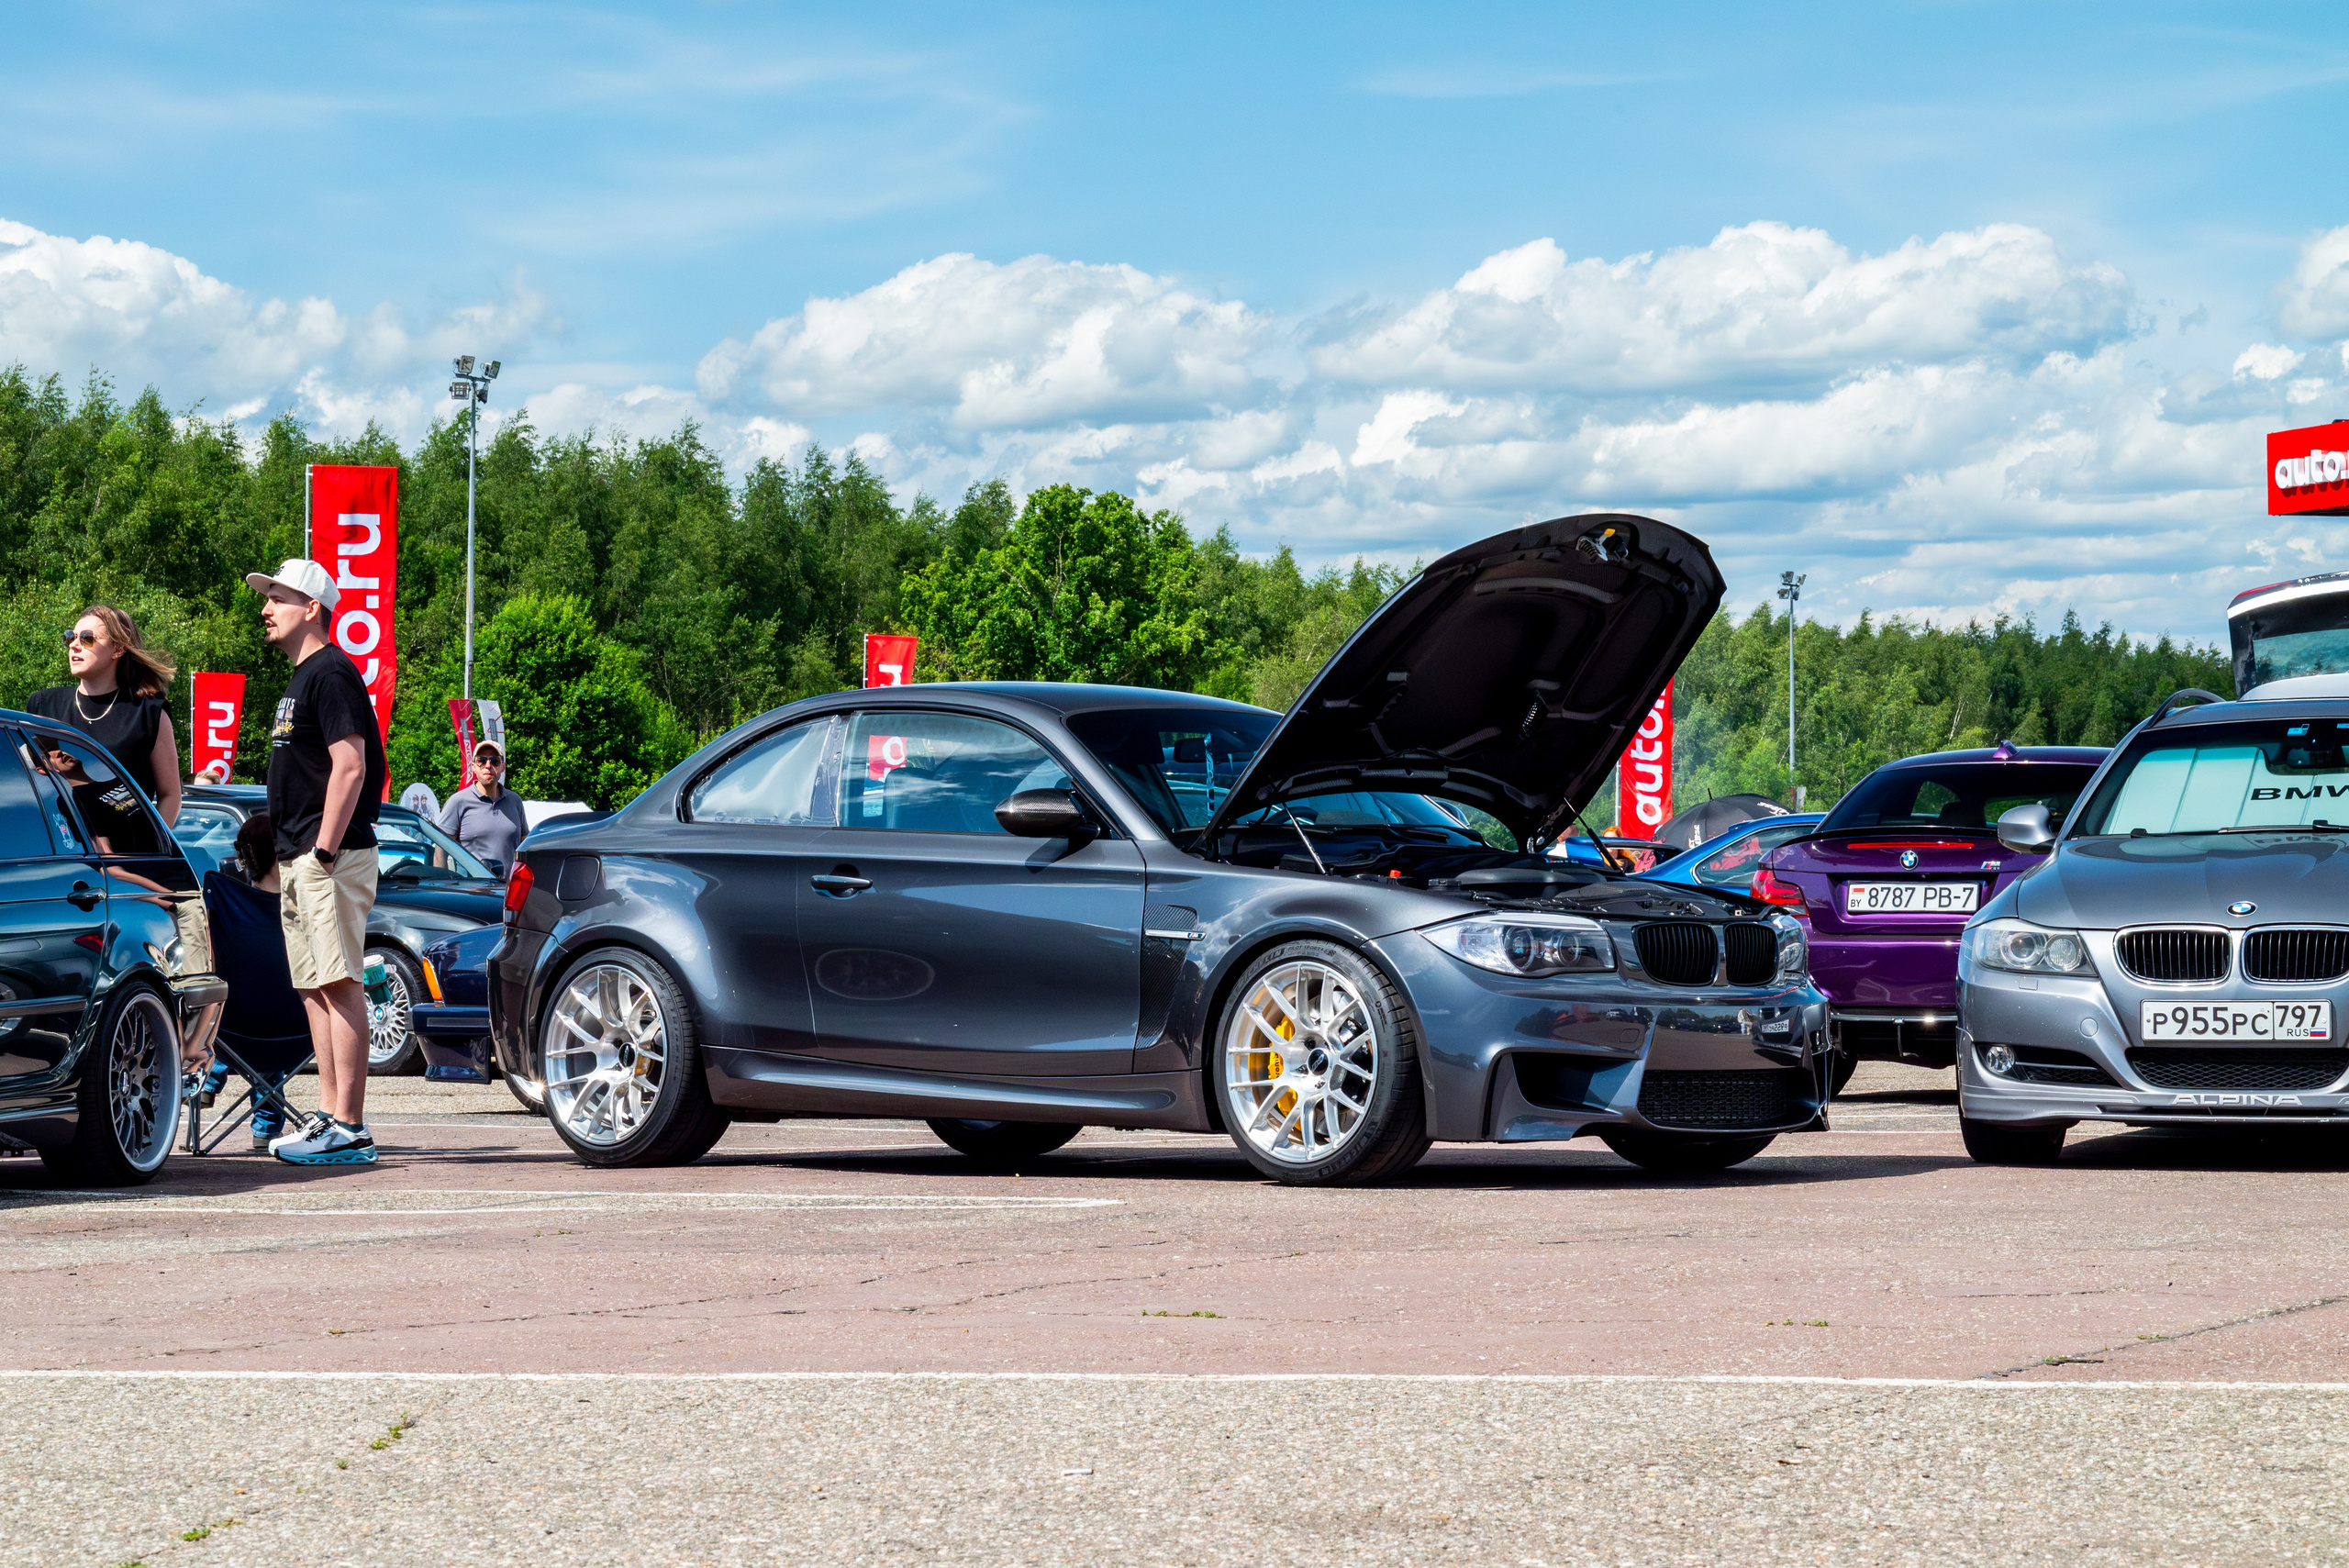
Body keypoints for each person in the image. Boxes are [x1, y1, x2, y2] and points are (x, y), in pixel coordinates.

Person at [244, 558, 387, 1168]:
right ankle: (328, 1117)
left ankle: (350, 1125)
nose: (265, 607)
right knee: (313, 987)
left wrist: (324, 849)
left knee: (338, 980)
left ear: (311, 608)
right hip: (301, 858)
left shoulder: (332, 673)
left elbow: (351, 765)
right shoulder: (301, 678)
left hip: (331, 856)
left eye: (277, 596)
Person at [26, 605, 183, 825]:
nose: (74, 645)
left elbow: (170, 795)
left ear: (118, 649)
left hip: (127, 854)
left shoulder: (147, 711)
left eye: (87, 638)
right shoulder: (43, 704)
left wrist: (149, 852)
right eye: (70, 637)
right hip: (61, 849)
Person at [198, 813, 294, 1150]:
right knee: (275, 1009)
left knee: (248, 1006)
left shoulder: (226, 904)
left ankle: (210, 1078)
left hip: (230, 1030)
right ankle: (266, 1128)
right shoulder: (302, 911)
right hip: (298, 1031)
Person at [436, 739, 528, 877]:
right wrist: (440, 884)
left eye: (495, 761)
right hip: (472, 891)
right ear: (473, 766)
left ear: (503, 766)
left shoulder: (515, 800)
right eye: (482, 760)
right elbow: (441, 847)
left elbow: (525, 843)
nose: (488, 765)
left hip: (510, 891)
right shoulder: (458, 801)